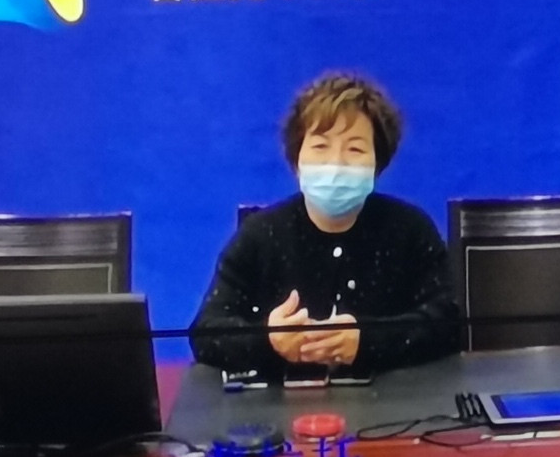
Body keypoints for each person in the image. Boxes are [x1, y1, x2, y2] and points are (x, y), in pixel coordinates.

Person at [190, 71, 465, 379]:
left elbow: (451, 323)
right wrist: (268, 341)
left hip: (392, 404)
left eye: (355, 149)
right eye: (321, 146)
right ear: (296, 160)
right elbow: (206, 334)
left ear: (378, 163)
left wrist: (368, 341)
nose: (336, 164)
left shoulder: (410, 230)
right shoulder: (259, 234)